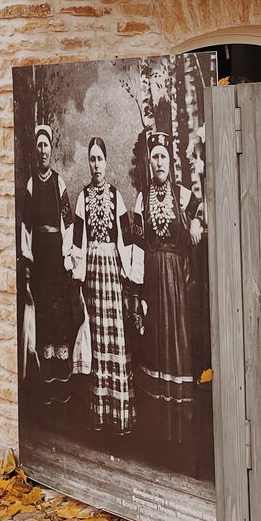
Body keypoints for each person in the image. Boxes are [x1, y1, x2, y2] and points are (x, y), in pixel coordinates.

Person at [138, 130, 203, 467]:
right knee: (156, 350)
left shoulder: (182, 193)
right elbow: (135, 246)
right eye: (155, 158)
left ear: (171, 161)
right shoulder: (142, 198)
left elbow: (202, 210)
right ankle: (159, 441)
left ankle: (182, 442)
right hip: (152, 283)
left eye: (163, 157)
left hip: (176, 284)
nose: (159, 162)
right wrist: (139, 295)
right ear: (149, 163)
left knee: (177, 350)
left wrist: (195, 221)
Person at [69, 137, 141, 435]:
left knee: (115, 338)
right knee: (96, 340)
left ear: (107, 162)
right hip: (92, 277)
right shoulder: (82, 198)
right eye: (92, 159)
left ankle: (119, 415)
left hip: (112, 272)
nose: (96, 164)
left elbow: (126, 240)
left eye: (100, 159)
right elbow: (77, 243)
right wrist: (78, 279)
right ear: (88, 162)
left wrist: (128, 277)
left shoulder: (116, 196)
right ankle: (99, 417)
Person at [19, 124, 77, 403]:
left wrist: (67, 258)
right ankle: (45, 387)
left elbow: (68, 224)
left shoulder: (59, 183)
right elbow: (26, 228)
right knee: (42, 318)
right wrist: (28, 264)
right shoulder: (31, 184)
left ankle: (61, 386)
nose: (43, 151)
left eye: (47, 146)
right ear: (35, 150)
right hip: (40, 261)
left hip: (56, 259)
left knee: (58, 318)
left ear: (52, 150)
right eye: (39, 146)